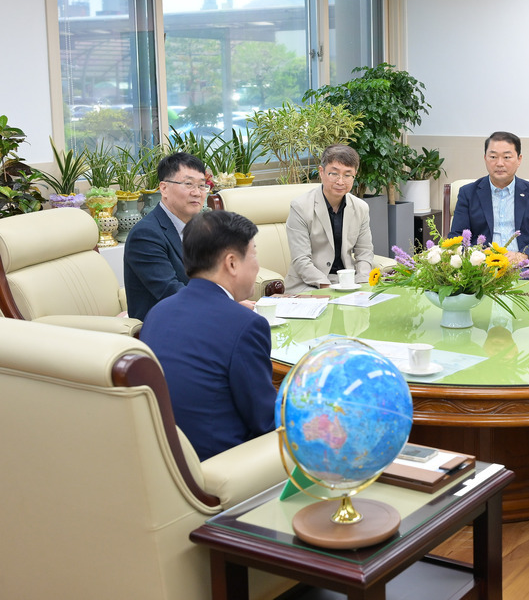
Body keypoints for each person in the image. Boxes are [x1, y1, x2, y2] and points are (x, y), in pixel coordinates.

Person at [139, 210, 276, 460]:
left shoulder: (158, 312)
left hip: (163, 460)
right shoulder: (246, 325)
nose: (257, 265)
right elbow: (266, 421)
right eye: (254, 254)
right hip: (224, 466)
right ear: (232, 263)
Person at [448, 131, 529, 264]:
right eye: (493, 157)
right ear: (485, 158)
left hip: (525, 266)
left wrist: (523, 255)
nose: (499, 163)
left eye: (507, 157)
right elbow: (456, 237)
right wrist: (478, 254)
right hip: (482, 267)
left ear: (519, 159)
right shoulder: (468, 193)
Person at [124, 152, 207, 320]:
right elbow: (172, 292)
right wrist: (224, 307)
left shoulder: (200, 228)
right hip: (166, 326)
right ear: (164, 189)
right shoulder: (145, 235)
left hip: (198, 317)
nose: (197, 193)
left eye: (202, 185)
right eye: (189, 184)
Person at [284, 144, 374, 293]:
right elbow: (301, 260)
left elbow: (364, 252)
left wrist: (363, 283)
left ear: (355, 175)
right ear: (322, 172)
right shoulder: (300, 207)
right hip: (309, 285)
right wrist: (330, 290)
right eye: (334, 174)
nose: (340, 181)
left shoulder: (361, 208)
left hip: (347, 283)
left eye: (347, 175)